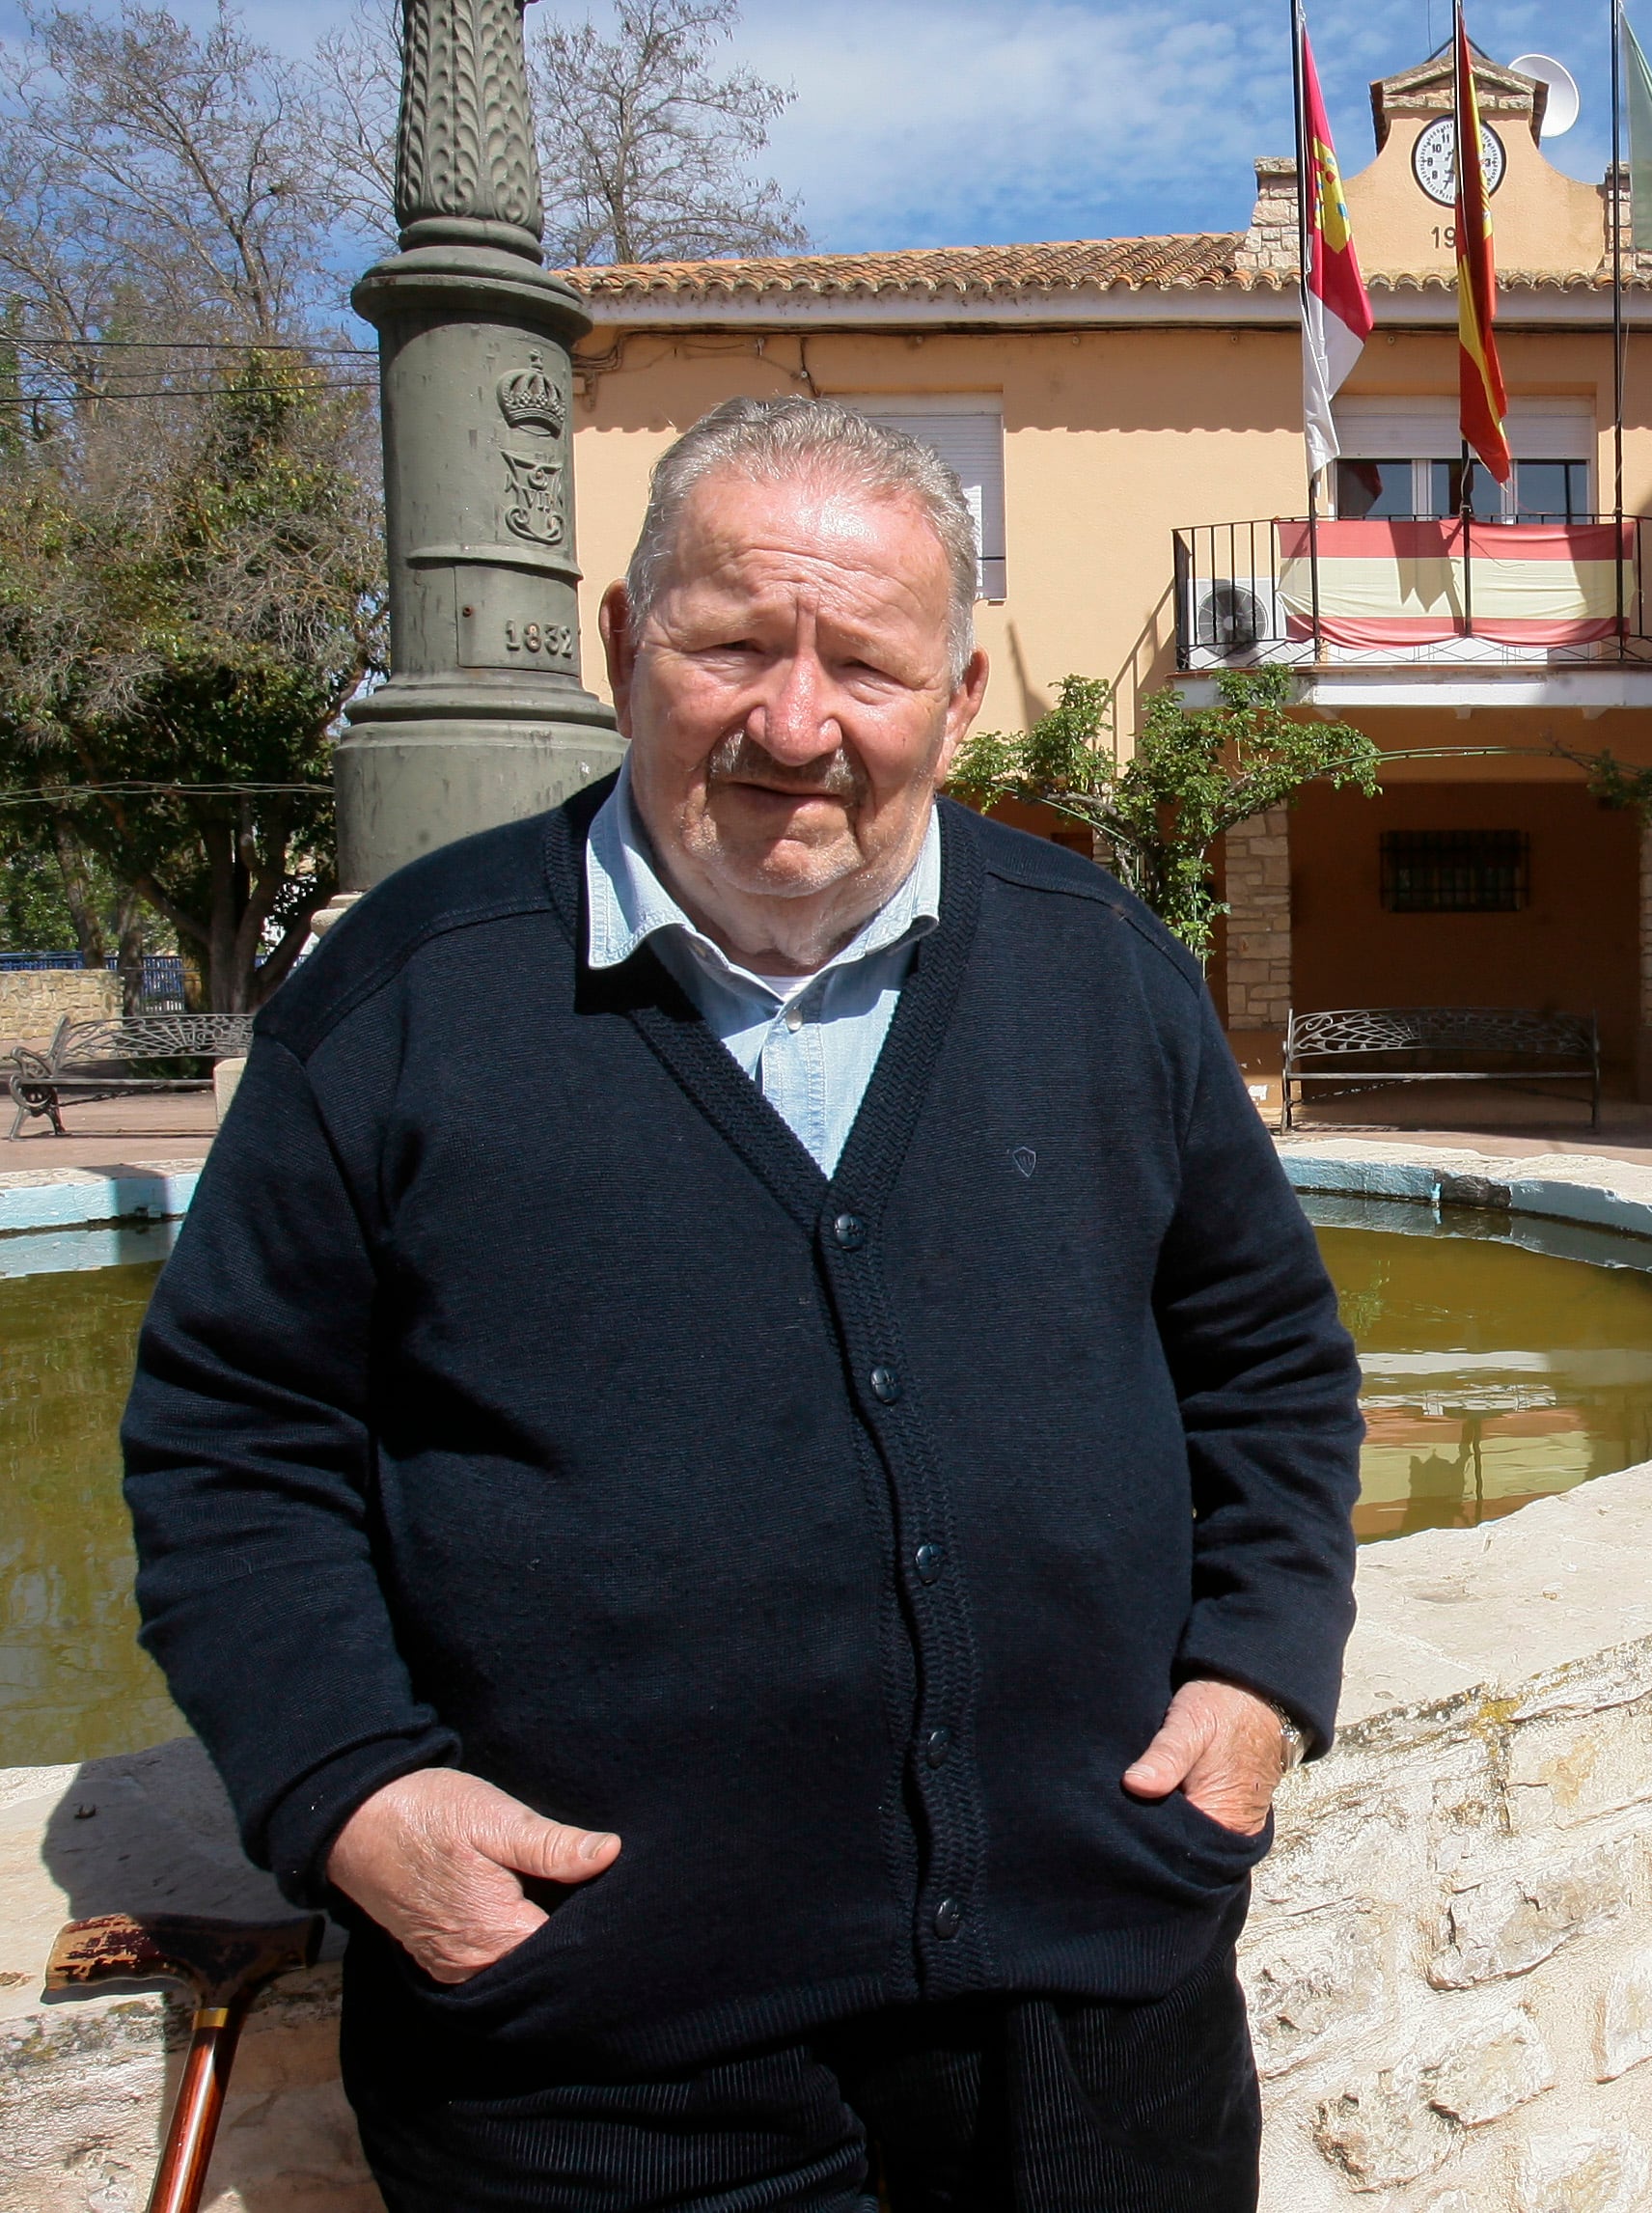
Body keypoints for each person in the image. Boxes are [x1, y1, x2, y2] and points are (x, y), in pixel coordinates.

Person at [121, 396, 1363, 2211]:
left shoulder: (1104, 971)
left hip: (1103, 2022)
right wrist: (351, 1786)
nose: (798, 724)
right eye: (730, 646)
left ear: (964, 690)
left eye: (865, 659)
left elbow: (1269, 1369)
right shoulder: (401, 1000)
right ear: (625, 646)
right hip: (597, 2064)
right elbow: (232, 1447)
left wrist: (1257, 1677)